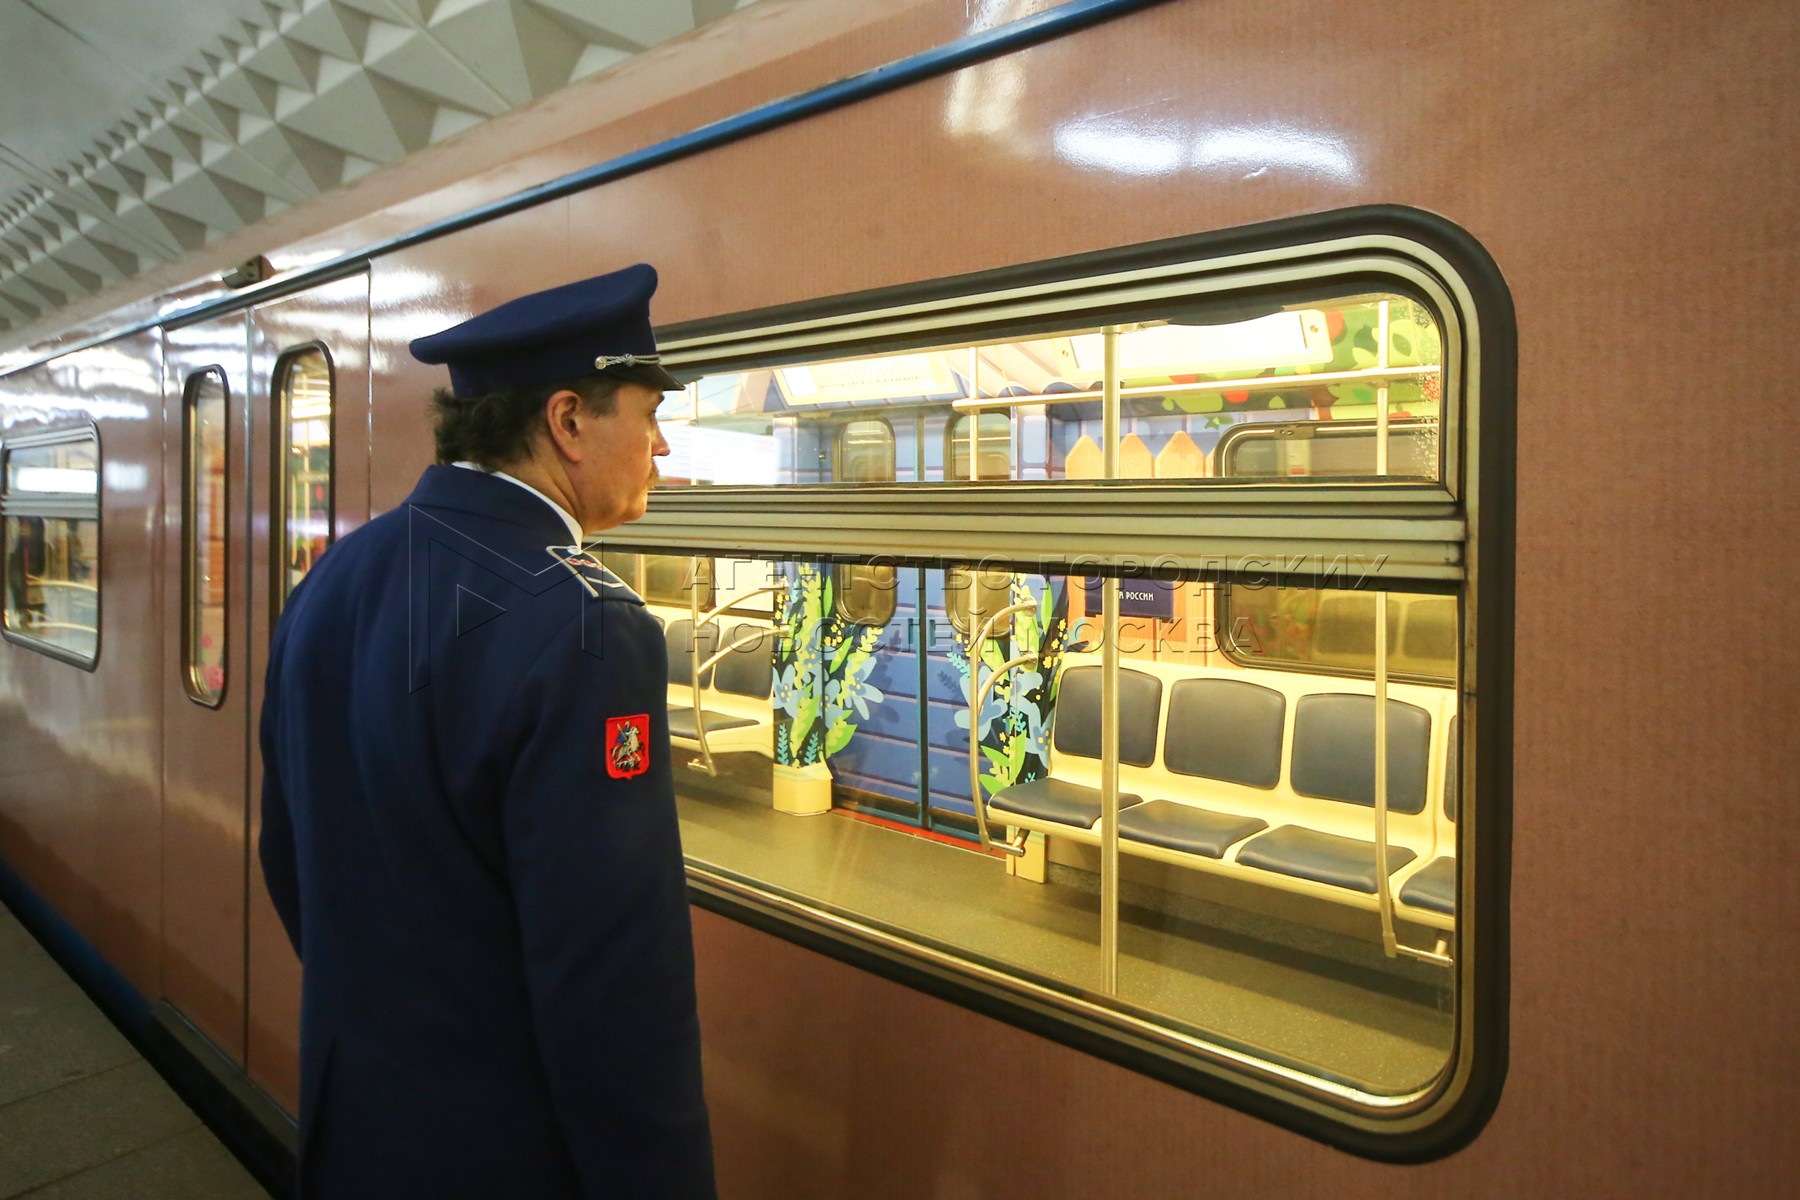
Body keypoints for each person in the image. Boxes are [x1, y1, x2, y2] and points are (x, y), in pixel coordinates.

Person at [258, 263, 715, 1199]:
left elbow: (288, 854)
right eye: (649, 413)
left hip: (357, 1125)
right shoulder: (586, 628)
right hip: (506, 1155)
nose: (661, 445)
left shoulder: (338, 576)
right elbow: (612, 983)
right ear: (568, 421)